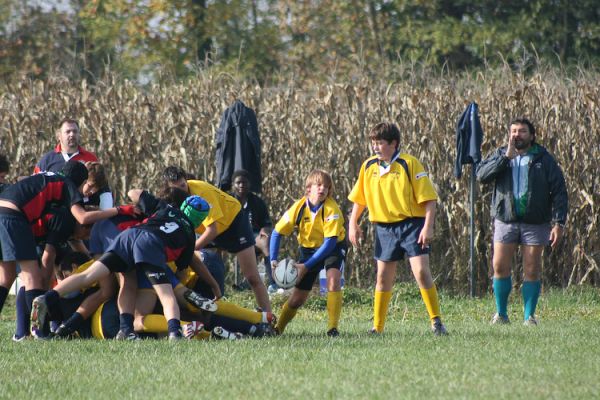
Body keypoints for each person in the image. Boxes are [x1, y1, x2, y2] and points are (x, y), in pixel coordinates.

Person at [31, 189, 216, 340]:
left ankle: (47, 298)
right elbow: (184, 266)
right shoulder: (190, 234)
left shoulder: (165, 207)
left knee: (95, 276)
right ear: (199, 220)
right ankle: (175, 332)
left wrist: (133, 206)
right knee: (166, 294)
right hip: (150, 244)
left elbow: (133, 192)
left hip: (128, 236)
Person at [348, 122, 447, 335]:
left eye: (380, 143)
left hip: (412, 225)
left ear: (394, 144)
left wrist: (427, 227)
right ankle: (378, 327)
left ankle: (436, 321)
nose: (375, 147)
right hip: (384, 228)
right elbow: (359, 199)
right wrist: (353, 223)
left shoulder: (409, 164)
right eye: (373, 143)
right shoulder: (368, 166)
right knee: (382, 278)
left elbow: (430, 200)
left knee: (421, 272)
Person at [0, 160, 121, 331]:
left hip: (3, 209)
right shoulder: (67, 192)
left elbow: (75, 241)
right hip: (14, 215)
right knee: (32, 277)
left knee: (6, 276)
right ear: (79, 181)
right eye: (84, 186)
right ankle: (37, 332)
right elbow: (83, 218)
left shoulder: (51, 181)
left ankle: (25, 331)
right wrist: (119, 210)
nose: (81, 193)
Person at [476, 118, 568, 325]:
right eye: (514, 131)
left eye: (522, 131)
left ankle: (529, 316)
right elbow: (481, 176)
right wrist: (505, 158)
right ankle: (501, 314)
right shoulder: (501, 154)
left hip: (535, 222)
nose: (517, 135)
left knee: (532, 268)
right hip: (505, 220)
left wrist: (558, 223)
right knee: (499, 266)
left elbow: (560, 192)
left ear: (532, 136)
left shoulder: (543, 159)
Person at [162, 166, 271, 312]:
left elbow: (212, 230)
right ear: (168, 188)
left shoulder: (201, 193)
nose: (182, 190)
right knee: (207, 268)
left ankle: (268, 317)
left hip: (234, 224)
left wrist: (190, 250)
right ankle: (210, 310)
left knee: (251, 276)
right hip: (209, 231)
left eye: (183, 184)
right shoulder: (169, 198)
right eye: (177, 188)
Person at [270, 170, 346, 337]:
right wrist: (273, 261)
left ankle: (332, 328)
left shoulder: (332, 209)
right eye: (318, 185)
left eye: (326, 186)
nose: (322, 189)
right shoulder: (298, 208)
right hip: (308, 249)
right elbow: (277, 232)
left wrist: (306, 266)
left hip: (332, 247)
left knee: (333, 280)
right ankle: (277, 329)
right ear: (308, 188)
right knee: (297, 299)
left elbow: (329, 243)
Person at [230, 169, 274, 290]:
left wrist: (264, 230)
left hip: (253, 236)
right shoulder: (228, 200)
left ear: (249, 184)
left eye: (244, 182)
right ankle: (242, 284)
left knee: (266, 241)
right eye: (238, 182)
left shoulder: (257, 202)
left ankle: (272, 282)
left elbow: (267, 223)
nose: (241, 185)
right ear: (233, 184)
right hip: (231, 236)